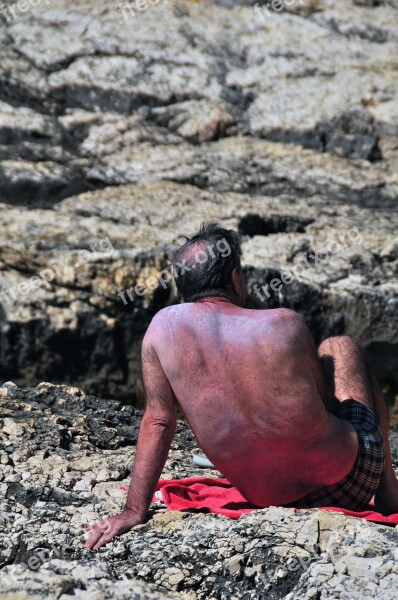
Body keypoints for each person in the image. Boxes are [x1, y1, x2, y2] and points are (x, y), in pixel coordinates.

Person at [86, 223, 398, 550]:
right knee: (340, 347)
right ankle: (389, 490)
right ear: (236, 279)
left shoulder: (161, 330)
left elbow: (159, 421)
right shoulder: (285, 323)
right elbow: (323, 404)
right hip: (348, 481)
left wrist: (134, 510)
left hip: (266, 498)